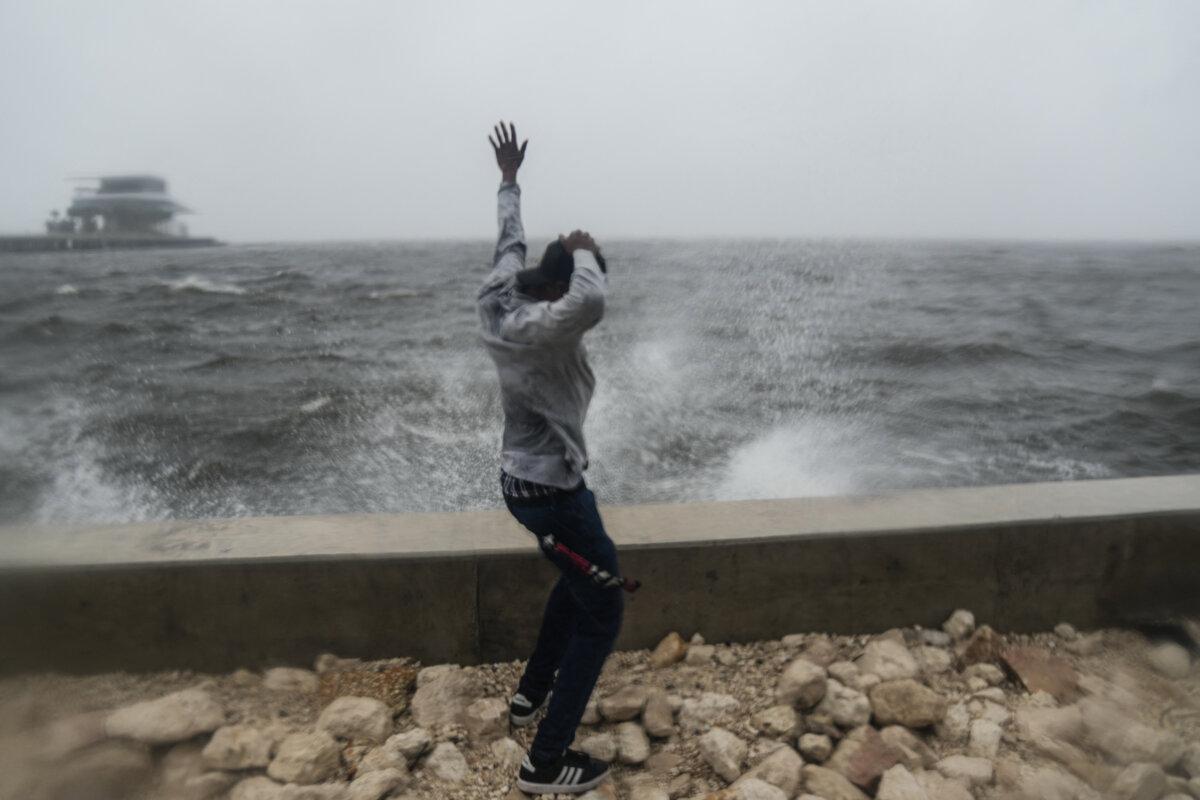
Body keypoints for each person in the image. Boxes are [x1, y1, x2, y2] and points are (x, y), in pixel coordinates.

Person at [477, 121, 624, 795]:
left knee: (578, 581)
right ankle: (546, 762)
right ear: (557, 293)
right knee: (605, 608)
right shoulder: (546, 331)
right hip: (556, 494)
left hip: (522, 484)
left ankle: (531, 693)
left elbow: (509, 242)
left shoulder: (501, 295)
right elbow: (589, 296)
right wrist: (584, 248)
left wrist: (510, 182)